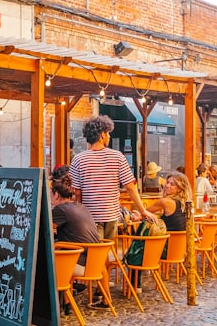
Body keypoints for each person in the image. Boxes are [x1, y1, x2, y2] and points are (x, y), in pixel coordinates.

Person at [68, 115, 155, 243]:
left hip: (90, 216)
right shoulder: (117, 157)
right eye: (108, 133)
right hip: (111, 215)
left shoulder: (78, 159)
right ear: (102, 135)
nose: (109, 137)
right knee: (106, 250)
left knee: (95, 253)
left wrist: (80, 216)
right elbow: (130, 186)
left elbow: (77, 192)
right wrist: (143, 210)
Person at [49, 173, 97, 274]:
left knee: (42, 261)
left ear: (56, 195)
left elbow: (45, 229)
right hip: (95, 263)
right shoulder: (81, 206)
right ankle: (73, 288)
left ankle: (61, 289)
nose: (50, 198)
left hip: (78, 263)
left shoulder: (60, 209)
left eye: (51, 195)